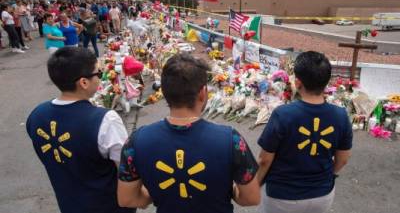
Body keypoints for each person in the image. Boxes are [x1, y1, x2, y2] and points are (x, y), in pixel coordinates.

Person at [118, 53, 260, 212]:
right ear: (202, 93)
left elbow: (127, 198)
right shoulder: (231, 140)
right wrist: (232, 191)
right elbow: (251, 197)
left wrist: (154, 194)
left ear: (164, 92)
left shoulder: (136, 141)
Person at [26, 47, 136, 213]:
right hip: (108, 205)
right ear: (84, 82)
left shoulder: (36, 115)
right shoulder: (105, 120)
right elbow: (125, 169)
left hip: (68, 203)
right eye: (98, 73)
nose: (100, 77)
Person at [257, 51, 353, 213]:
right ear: (326, 81)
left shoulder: (283, 114)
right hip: (322, 196)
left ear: (298, 82)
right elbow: (342, 160)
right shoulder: (341, 116)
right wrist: (325, 178)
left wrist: (255, 185)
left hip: (282, 196)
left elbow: (265, 160)